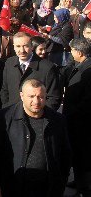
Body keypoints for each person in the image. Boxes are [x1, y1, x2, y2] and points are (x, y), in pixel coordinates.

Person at [0, 79, 71, 197]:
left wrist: (60, 183)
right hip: (12, 186)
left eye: (40, 97)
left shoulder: (57, 120)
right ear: (21, 96)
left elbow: (65, 155)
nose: (36, 101)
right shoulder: (4, 117)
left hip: (46, 188)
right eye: (31, 96)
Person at [0, 32, 61, 110]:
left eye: (25, 46)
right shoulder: (9, 63)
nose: (22, 50)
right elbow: (5, 90)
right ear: (14, 47)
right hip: (13, 115)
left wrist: (41, 116)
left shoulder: (47, 68)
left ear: (32, 46)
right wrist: (7, 110)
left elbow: (53, 97)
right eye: (18, 46)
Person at [62, 38, 91, 196]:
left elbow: (87, 100)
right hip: (75, 119)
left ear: (79, 52)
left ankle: (84, 187)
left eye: (72, 51)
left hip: (81, 122)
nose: (70, 53)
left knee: (82, 155)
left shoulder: (87, 71)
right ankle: (79, 181)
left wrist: (73, 112)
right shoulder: (78, 67)